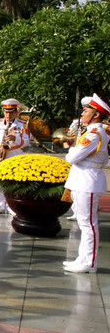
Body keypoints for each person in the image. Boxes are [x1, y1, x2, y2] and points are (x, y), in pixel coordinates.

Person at [63, 94, 110, 273]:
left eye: (86, 110)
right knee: (84, 223)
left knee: (88, 223)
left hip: (87, 181)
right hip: (82, 179)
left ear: (96, 114)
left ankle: (89, 262)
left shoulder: (94, 134)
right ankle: (82, 258)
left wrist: (71, 148)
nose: (83, 113)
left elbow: (72, 157)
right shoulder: (91, 132)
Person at [0, 99, 30, 214]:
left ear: (16, 112)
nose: (8, 115)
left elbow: (26, 142)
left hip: (14, 155)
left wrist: (15, 138)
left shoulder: (22, 125)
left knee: (13, 182)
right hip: (0, 155)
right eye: (6, 112)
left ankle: (12, 206)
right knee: (0, 181)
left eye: (10, 112)